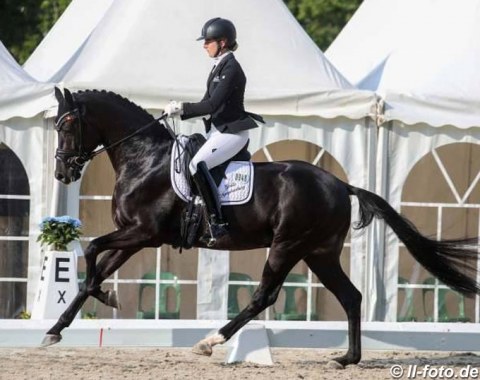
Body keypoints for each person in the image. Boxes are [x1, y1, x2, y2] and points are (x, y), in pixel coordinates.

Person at [164, 17, 263, 241]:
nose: (204, 45)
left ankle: (218, 221)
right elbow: (205, 103)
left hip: (232, 133)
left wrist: (181, 107)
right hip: (218, 131)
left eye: (208, 41)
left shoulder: (232, 69)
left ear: (223, 42)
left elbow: (212, 105)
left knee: (197, 164)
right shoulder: (218, 68)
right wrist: (180, 111)